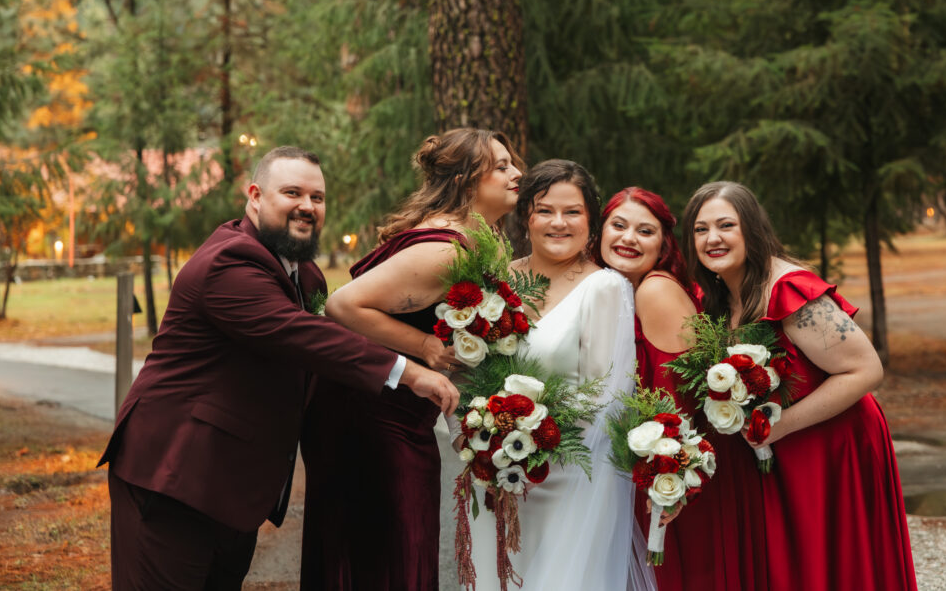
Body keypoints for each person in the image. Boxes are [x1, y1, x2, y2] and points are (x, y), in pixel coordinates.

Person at [97, 146, 458, 590]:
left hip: (234, 492)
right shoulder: (229, 262)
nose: (307, 207)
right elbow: (301, 337)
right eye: (292, 193)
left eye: (318, 198)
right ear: (255, 196)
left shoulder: (307, 276)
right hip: (173, 479)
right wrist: (411, 370)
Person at [299, 128, 524, 590]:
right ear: (466, 180)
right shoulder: (444, 247)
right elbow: (343, 306)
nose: (516, 173)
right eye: (501, 166)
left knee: (401, 541)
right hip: (366, 414)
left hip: (396, 408)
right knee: (387, 544)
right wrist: (424, 350)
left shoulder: (482, 237)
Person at [682, 181, 917, 591]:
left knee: (831, 563)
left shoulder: (788, 289)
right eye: (700, 229)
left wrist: (783, 425)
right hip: (784, 445)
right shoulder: (718, 295)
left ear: (751, 230)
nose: (712, 238)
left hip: (832, 443)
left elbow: (865, 370)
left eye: (725, 225)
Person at [467, 160, 652, 590]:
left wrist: (530, 442)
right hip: (494, 471)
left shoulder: (604, 287)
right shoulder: (498, 281)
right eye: (545, 209)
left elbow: (604, 397)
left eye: (573, 212)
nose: (558, 223)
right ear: (525, 216)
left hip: (570, 476)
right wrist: (486, 439)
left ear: (590, 219)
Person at [596, 187, 768, 590]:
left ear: (663, 244)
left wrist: (671, 478)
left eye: (645, 231)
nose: (628, 239)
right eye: (618, 226)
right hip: (643, 459)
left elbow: (685, 395)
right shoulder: (616, 289)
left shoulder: (655, 290)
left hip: (675, 468)